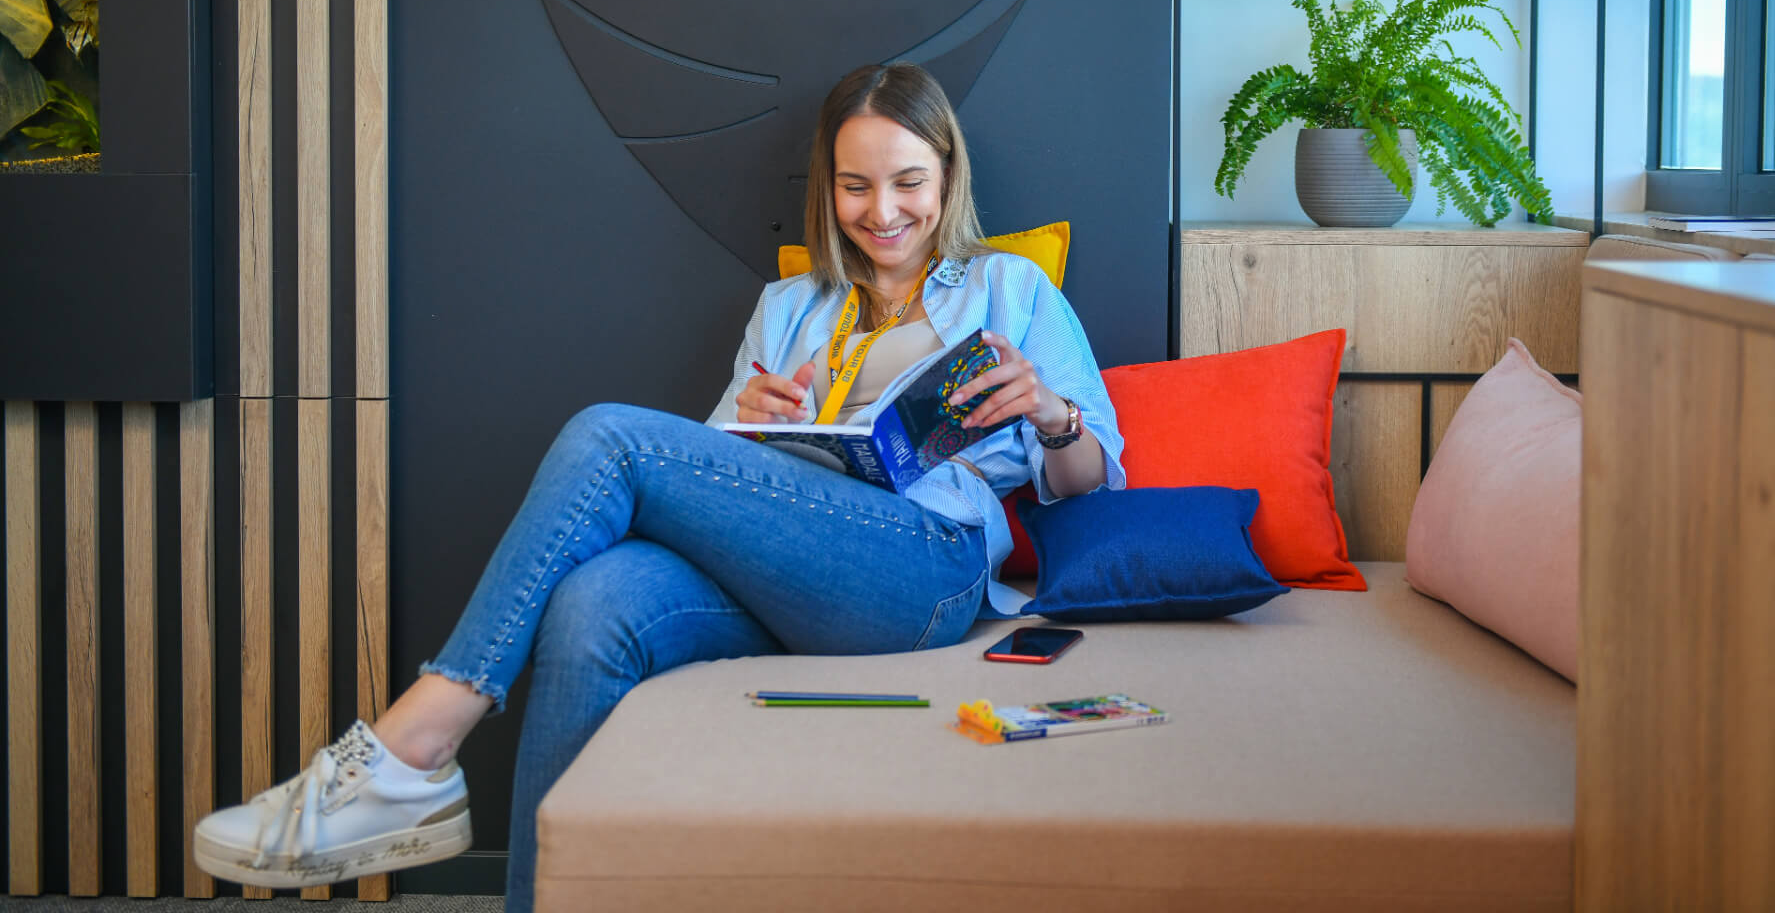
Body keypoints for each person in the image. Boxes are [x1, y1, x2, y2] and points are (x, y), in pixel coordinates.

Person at [191, 62, 1126, 909]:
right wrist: (747, 424)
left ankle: (415, 745)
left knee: (610, 436)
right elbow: (701, 479)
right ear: (827, 187)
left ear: (948, 178)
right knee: (593, 603)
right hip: (783, 569)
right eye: (855, 185)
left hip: (919, 570)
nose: (882, 210)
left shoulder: (1009, 289)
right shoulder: (790, 306)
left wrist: (1051, 415)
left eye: (908, 181)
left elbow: (1095, 485)